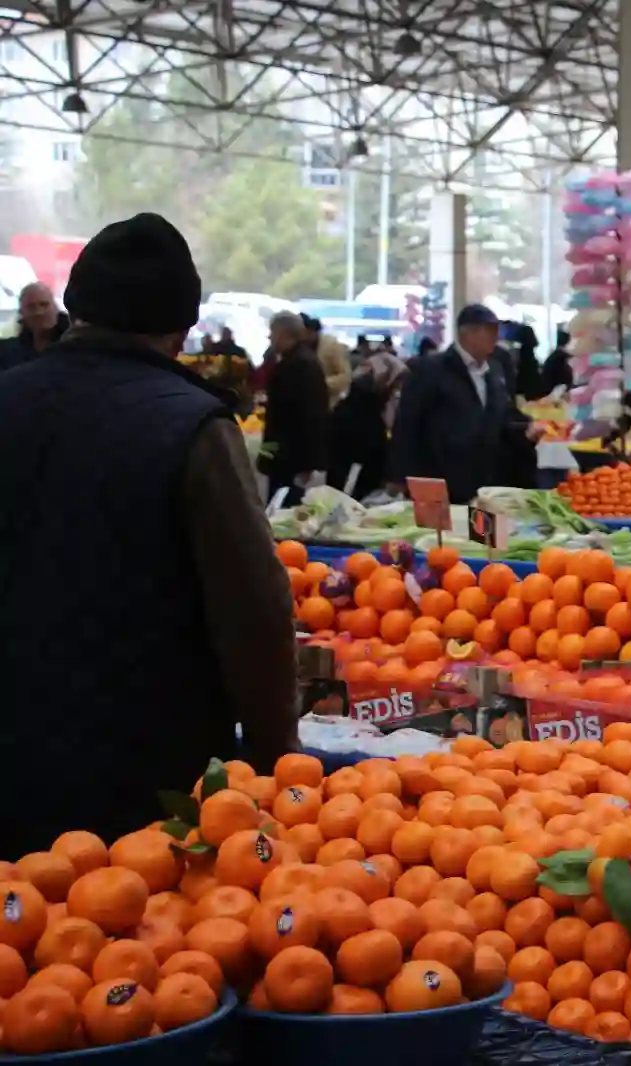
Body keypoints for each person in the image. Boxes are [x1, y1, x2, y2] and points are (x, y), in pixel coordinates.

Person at [0, 213, 298, 854]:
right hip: (144, 776)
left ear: (72, 306)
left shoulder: (7, 399)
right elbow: (254, 608)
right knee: (134, 944)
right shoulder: (190, 426)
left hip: (13, 751)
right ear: (182, 327)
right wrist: (277, 759)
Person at [390, 304, 543, 503]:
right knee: (439, 533)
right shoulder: (430, 369)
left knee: (480, 533)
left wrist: (525, 428)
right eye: (490, 331)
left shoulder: (495, 370)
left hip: (486, 479)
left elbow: (502, 413)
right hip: (441, 476)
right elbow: (407, 422)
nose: (496, 338)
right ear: (468, 333)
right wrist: (398, 475)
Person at [259, 311, 329, 505]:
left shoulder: (300, 365)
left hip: (292, 456)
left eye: (272, 332)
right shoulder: (294, 361)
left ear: (283, 333)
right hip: (284, 454)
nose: (270, 337)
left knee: (285, 509)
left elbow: (311, 415)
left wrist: (308, 463)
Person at [329, 336, 407, 499]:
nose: (397, 389)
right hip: (355, 482)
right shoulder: (368, 410)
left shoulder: (354, 402)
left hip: (343, 480)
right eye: (396, 382)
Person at [0, 281, 69, 372]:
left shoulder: (75, 345)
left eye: (44, 305)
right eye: (31, 307)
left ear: (55, 307)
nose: (39, 312)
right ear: (21, 312)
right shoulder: (7, 352)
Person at [302, 314, 352, 408]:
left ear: (310, 330)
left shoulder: (332, 346)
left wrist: (319, 384)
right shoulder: (298, 347)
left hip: (329, 403)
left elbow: (345, 376)